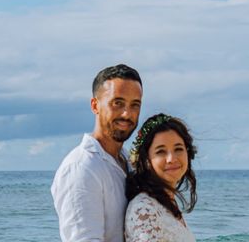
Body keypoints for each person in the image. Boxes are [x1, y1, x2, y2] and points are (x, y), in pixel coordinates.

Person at [51, 64, 143, 242]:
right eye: (118, 103)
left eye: (135, 105)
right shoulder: (81, 167)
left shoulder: (127, 162)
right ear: (95, 105)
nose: (127, 113)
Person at [125, 113, 198, 242]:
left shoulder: (167, 203)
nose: (171, 159)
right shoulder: (145, 210)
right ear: (147, 160)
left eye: (178, 149)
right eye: (161, 151)